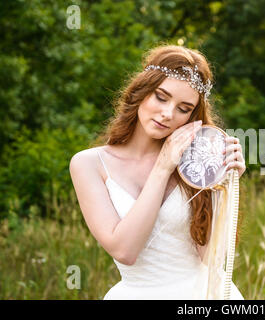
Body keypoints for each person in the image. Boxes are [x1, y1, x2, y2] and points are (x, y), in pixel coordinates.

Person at [69, 44, 246, 299]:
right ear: (142, 91)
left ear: (192, 116)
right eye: (161, 97)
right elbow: (125, 251)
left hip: (204, 295)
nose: (167, 114)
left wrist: (224, 186)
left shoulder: (194, 164)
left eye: (183, 109)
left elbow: (211, 258)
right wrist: (163, 166)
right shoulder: (89, 164)